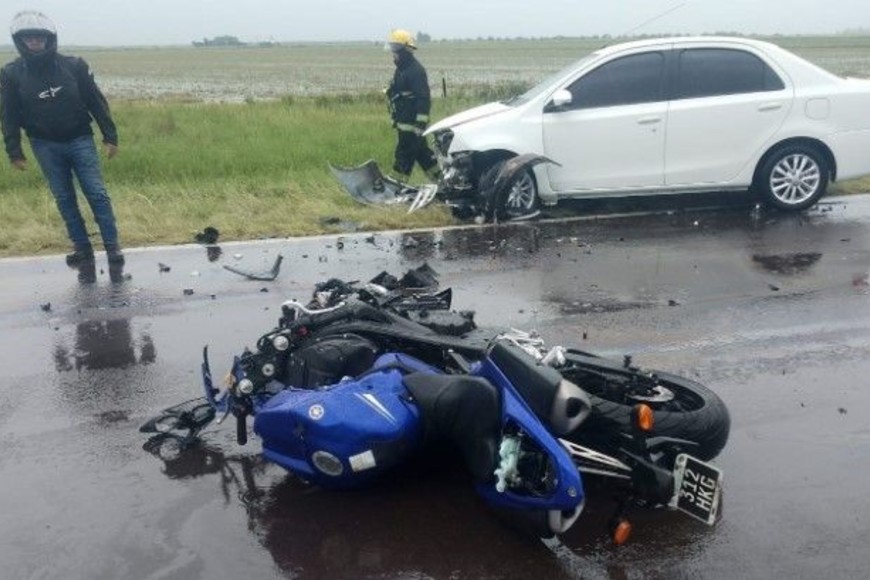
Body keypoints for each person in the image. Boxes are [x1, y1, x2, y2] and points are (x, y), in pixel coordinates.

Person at [1, 10, 123, 268]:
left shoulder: (74, 66)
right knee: (64, 198)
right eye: (29, 38)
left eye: (39, 38)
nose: (35, 42)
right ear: (21, 41)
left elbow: (95, 101)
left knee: (97, 193)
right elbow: (9, 114)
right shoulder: (12, 74)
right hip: (44, 145)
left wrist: (110, 135)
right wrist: (14, 151)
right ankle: (82, 249)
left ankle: (113, 248)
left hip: (80, 139)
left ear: (49, 39)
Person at [385, 29, 440, 183]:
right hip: (404, 123)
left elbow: (423, 99)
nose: (392, 53)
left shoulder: (416, 71)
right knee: (423, 155)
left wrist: (420, 124)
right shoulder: (402, 69)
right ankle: (443, 183)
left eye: (395, 49)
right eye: (392, 48)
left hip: (412, 125)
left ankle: (395, 187)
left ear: (405, 50)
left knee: (404, 155)